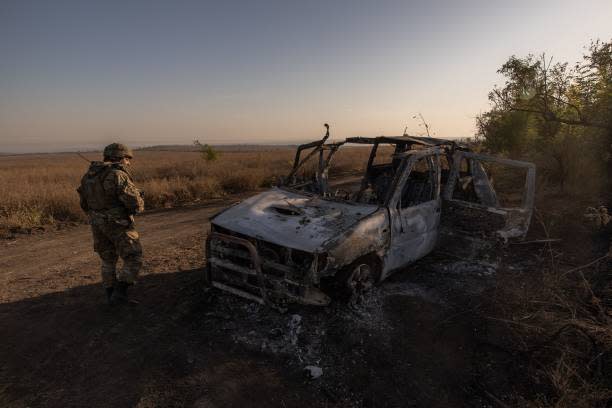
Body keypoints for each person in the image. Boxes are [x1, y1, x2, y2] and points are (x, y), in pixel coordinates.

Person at [77, 143, 144, 305]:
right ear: (120, 158)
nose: (129, 163)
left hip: (96, 222)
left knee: (108, 260)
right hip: (117, 222)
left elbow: (84, 204)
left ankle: (110, 295)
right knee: (134, 257)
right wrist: (140, 200)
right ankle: (120, 293)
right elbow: (134, 204)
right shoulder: (117, 174)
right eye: (128, 159)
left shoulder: (88, 176)